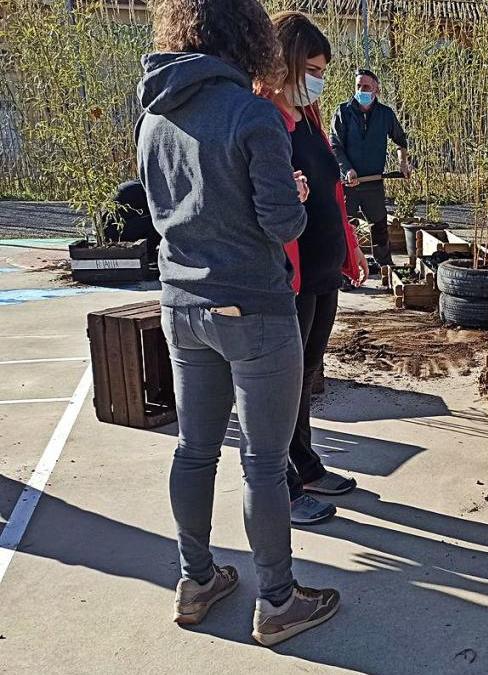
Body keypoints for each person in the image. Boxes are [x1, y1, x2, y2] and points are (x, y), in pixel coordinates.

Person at [137, 0, 338, 647]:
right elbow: (284, 224)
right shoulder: (253, 115)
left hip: (182, 309)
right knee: (262, 461)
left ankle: (196, 579)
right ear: (249, 37)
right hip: (253, 309)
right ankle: (277, 600)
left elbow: (165, 215)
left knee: (194, 450)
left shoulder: (154, 118)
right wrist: (296, 196)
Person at [267, 11, 367, 526]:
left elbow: (331, 194)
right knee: (284, 383)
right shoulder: (265, 122)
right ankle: (281, 481)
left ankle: (304, 463)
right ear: (282, 62)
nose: (317, 80)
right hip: (291, 279)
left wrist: (351, 251)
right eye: (310, 68)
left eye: (323, 70)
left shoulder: (309, 120)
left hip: (323, 273)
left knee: (306, 374)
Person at [329, 67, 410, 271]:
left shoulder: (385, 114)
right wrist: (347, 169)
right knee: (348, 226)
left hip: (373, 182)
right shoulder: (343, 112)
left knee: (379, 224)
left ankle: (384, 266)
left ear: (376, 89)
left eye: (366, 86)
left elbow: (400, 140)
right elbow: (335, 145)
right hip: (350, 183)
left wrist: (403, 162)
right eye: (359, 86)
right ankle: (346, 270)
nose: (362, 90)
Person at [102, 180, 161, 249]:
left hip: (109, 229)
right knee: (159, 222)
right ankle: (150, 254)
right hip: (115, 230)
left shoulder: (139, 184)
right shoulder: (149, 189)